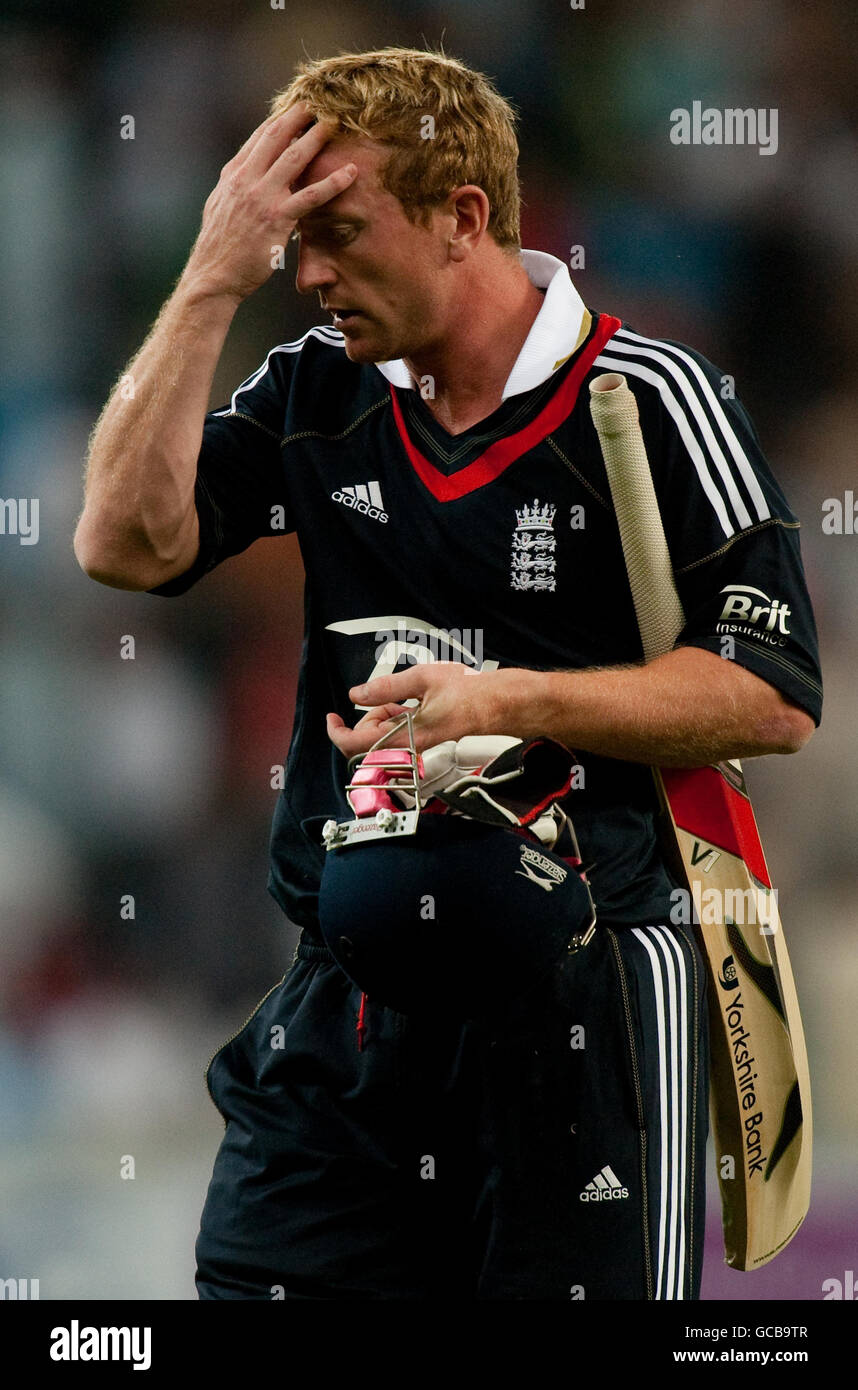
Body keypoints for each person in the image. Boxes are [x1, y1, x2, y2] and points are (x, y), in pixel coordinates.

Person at [74, 46, 821, 1301]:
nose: (308, 275)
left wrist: (513, 698)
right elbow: (121, 543)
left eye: (342, 231)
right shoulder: (318, 389)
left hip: (587, 1008)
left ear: (462, 217)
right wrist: (211, 277)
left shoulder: (650, 398)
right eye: (289, 241)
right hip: (346, 1014)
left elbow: (774, 692)